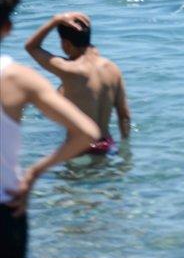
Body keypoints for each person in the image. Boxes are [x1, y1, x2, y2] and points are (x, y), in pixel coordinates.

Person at [1, 0, 99, 258]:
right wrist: (34, 173)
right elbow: (87, 132)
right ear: (6, 27)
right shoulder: (18, 79)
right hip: (7, 207)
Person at [25, 11, 130, 154]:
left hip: (80, 146)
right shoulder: (113, 69)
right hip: (107, 144)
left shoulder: (68, 69)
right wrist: (125, 151)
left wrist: (56, 20)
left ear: (66, 44)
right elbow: (124, 116)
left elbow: (31, 46)